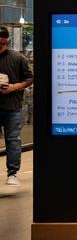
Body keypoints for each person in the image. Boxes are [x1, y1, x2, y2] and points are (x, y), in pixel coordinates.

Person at [0, 26, 33, 187]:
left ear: (6, 41)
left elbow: (29, 79)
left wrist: (14, 87)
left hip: (12, 106)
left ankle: (12, 173)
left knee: (13, 140)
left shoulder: (17, 58)